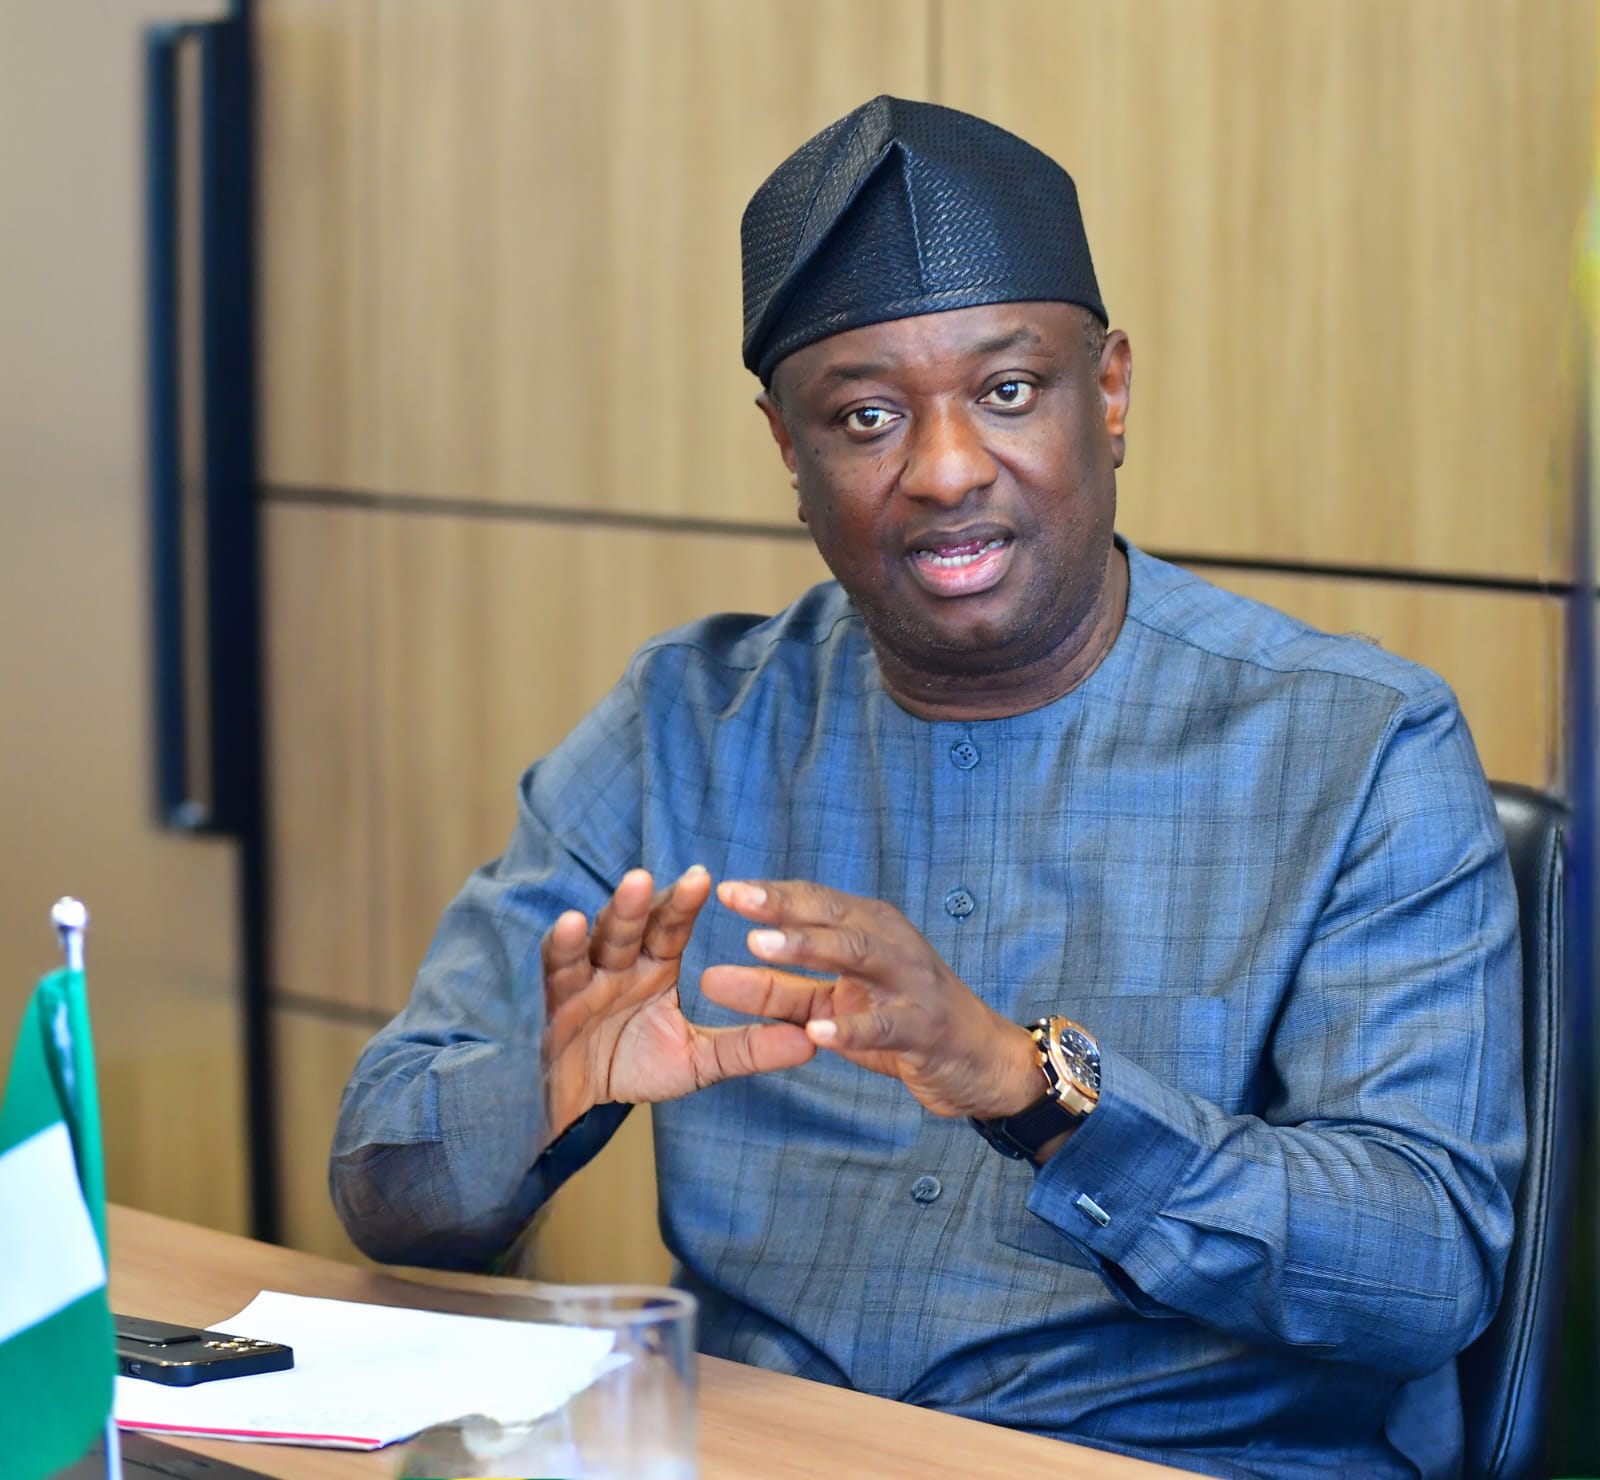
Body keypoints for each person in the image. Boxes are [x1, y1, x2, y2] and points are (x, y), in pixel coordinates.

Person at [331, 96, 1523, 1480]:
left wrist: (1028, 1086)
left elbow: (1424, 1268)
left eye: (1008, 392)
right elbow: (385, 1185)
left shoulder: (1359, 746)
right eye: (868, 416)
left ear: (1111, 394)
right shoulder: (685, 726)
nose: (947, 470)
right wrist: (542, 1091)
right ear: (789, 451)